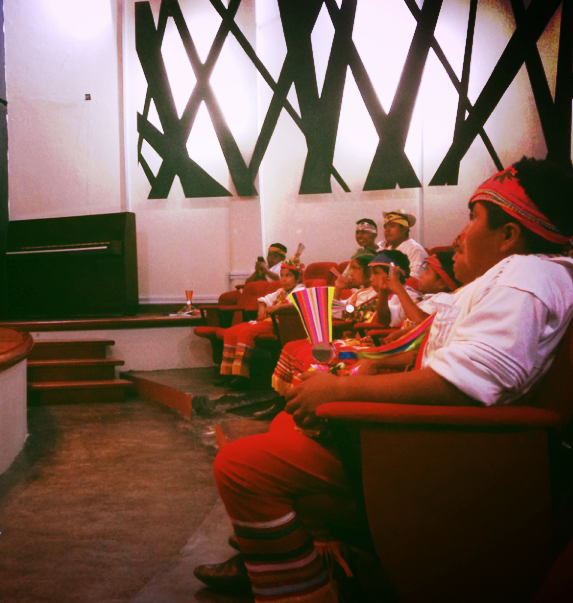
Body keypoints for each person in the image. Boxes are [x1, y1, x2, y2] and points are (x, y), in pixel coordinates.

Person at [193, 157, 573, 601]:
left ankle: (301, 585)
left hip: (441, 454)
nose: (460, 233)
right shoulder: (517, 275)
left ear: (510, 235)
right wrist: (380, 364)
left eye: (473, 217)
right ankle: (305, 553)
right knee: (287, 423)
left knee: (240, 468)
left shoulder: (528, 276)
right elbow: (443, 346)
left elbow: (470, 380)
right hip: (426, 438)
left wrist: (341, 390)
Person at [220, 257, 306, 389]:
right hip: (266, 321)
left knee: (245, 332)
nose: (283, 279)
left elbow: (297, 304)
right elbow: (263, 299)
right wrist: (261, 309)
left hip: (281, 325)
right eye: (282, 276)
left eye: (288, 276)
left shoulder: (301, 290)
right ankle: (228, 372)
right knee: (231, 332)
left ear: (298, 278)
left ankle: (242, 375)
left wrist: (277, 307)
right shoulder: (281, 291)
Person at [377, 209, 428, 277]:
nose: (387, 230)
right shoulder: (387, 250)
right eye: (385, 226)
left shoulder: (415, 250)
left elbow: (413, 279)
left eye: (392, 226)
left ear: (404, 229)